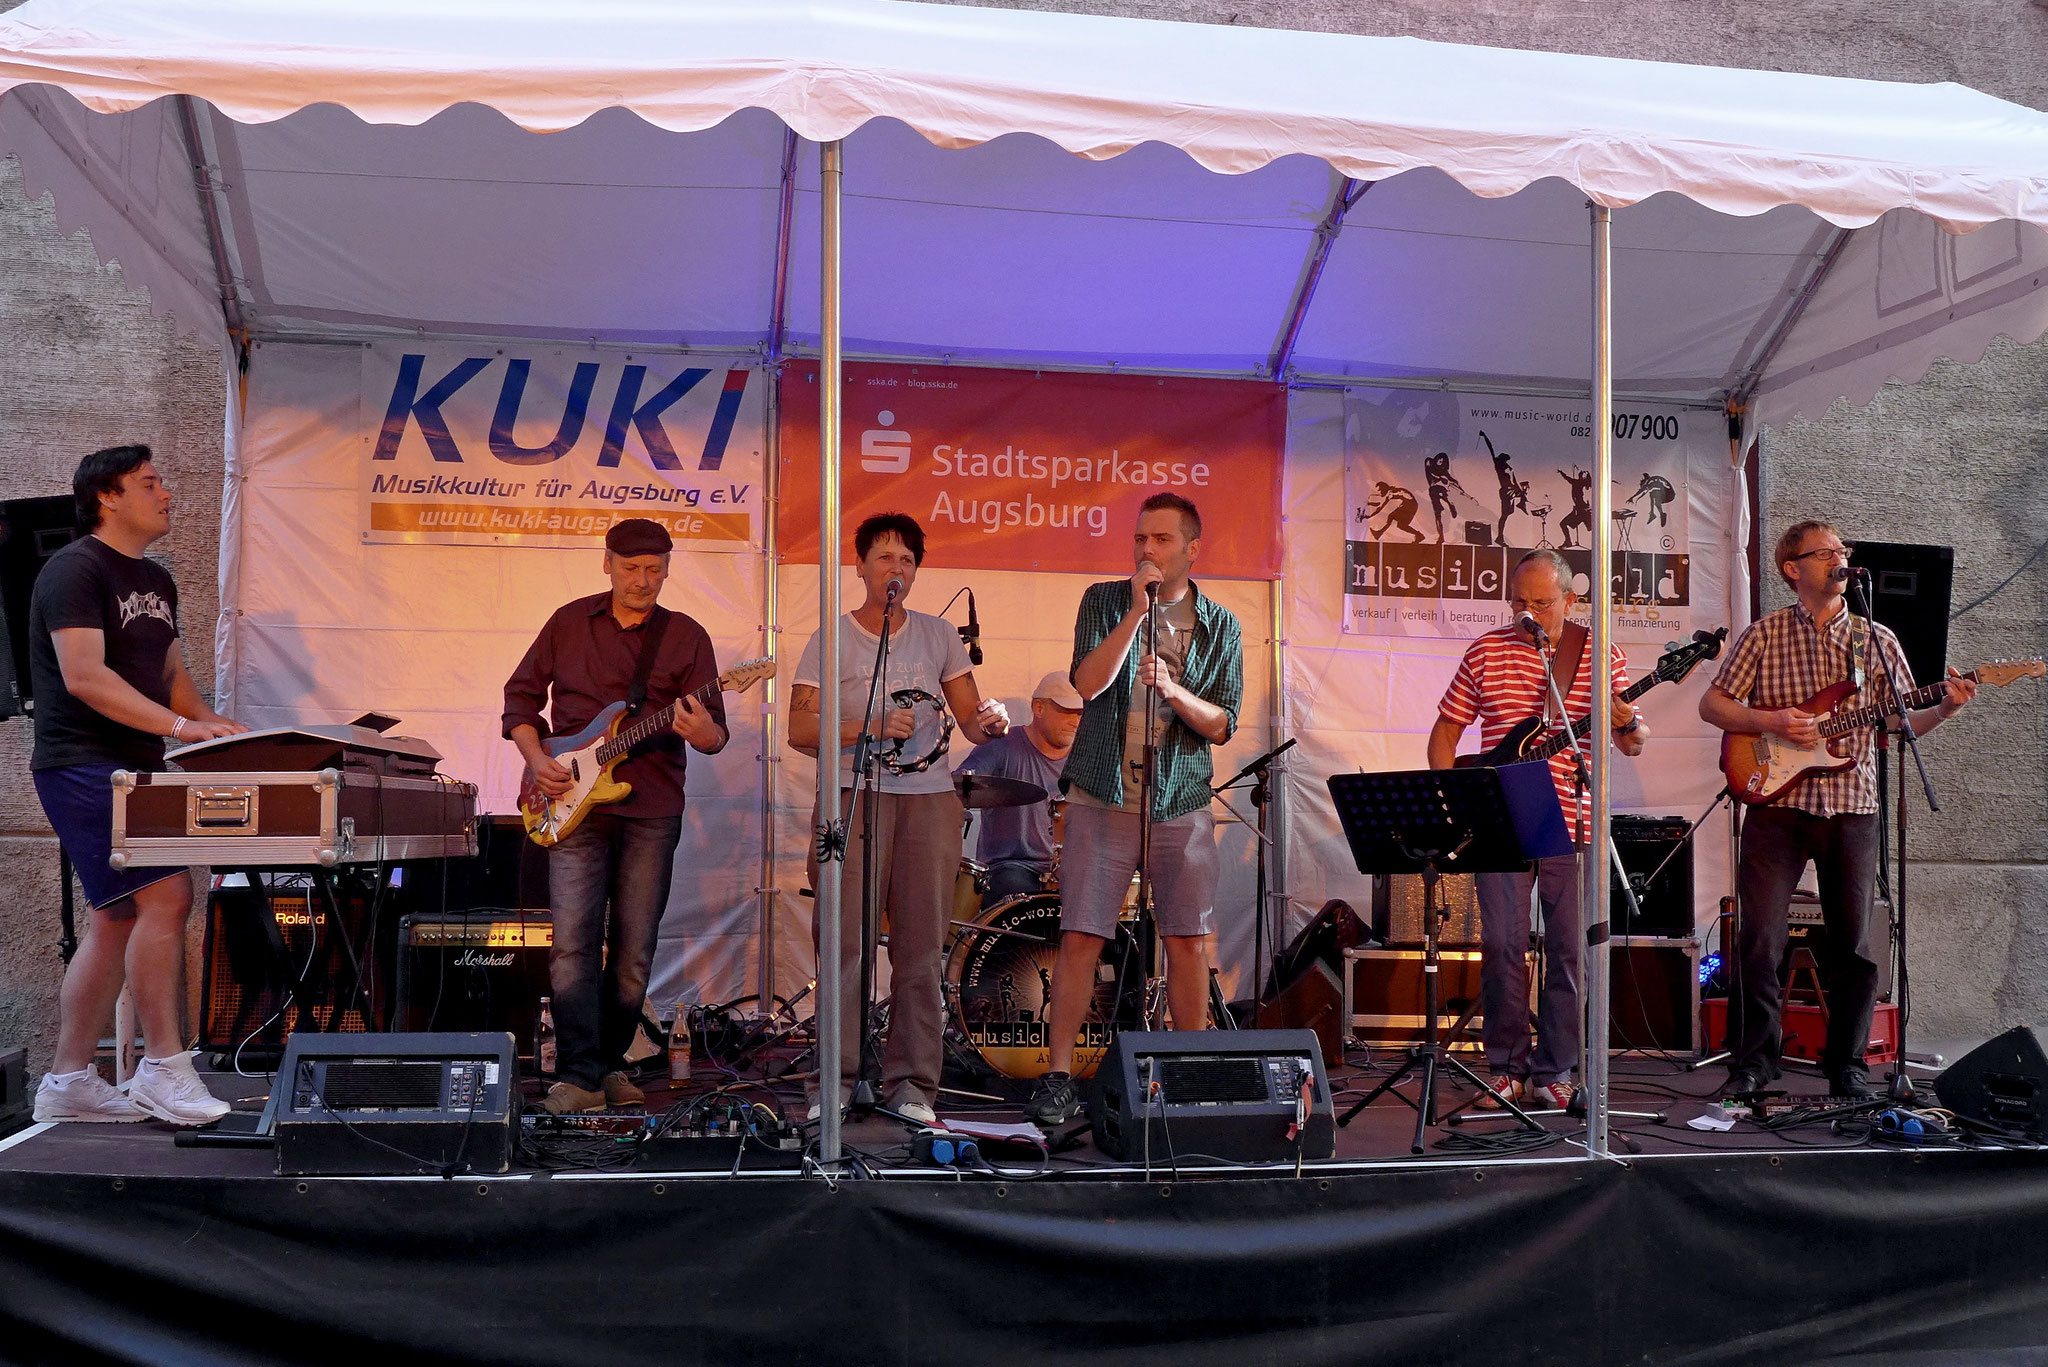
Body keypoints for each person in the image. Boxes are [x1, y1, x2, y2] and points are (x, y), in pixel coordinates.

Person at [1699, 521, 1973, 1099]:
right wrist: (1771, 721)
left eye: (1843, 551)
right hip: (1778, 803)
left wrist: (1944, 709)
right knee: (1760, 939)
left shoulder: (1877, 640)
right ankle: (1754, 1063)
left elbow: (1899, 723)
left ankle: (1846, 1065)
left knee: (1852, 943)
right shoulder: (1764, 634)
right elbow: (1713, 704)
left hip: (1852, 807)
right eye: (1825, 553)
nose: (1840, 559)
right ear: (1792, 569)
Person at [30, 445, 247, 1125]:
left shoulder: (156, 577)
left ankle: (67, 1081)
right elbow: (85, 676)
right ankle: (162, 1068)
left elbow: (170, 673)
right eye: (151, 482)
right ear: (108, 495)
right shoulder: (73, 568)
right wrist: (183, 728)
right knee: (167, 892)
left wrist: (219, 727)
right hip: (82, 762)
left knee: (115, 915)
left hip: (135, 762)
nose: (168, 493)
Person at [1026, 492, 1243, 1127]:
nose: (1146, 549)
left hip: (1180, 798)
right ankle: (1059, 1074)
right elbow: (1087, 684)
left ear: (1192, 549)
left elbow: (1223, 722)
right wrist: (1133, 613)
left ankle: (1186, 1071)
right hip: (1102, 793)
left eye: (1161, 540)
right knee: (1081, 935)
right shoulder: (1103, 600)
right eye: (1140, 539)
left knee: (1186, 939)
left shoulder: (1221, 626)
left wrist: (1174, 690)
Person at [790, 512, 1010, 1126]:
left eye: (908, 560)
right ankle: (834, 1079)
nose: (897, 570)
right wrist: (870, 726)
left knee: (919, 948)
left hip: (929, 801)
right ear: (860, 567)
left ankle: (913, 1084)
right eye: (885, 558)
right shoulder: (831, 638)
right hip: (851, 795)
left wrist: (989, 718)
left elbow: (968, 719)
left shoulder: (939, 636)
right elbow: (800, 728)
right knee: (842, 942)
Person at [503, 518, 728, 1115]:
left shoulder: (687, 636)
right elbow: (520, 699)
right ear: (607, 563)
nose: (642, 580)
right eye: (630, 568)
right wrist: (537, 758)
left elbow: (715, 735)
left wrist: (704, 732)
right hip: (569, 801)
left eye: (654, 569)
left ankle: (605, 1067)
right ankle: (580, 1072)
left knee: (634, 947)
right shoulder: (569, 621)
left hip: (652, 805)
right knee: (573, 944)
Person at [1426, 548, 1648, 1111]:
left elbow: (1630, 741)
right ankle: (1503, 1067)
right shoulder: (1486, 650)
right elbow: (1446, 731)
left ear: (1571, 599)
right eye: (1519, 602)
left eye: (1542, 604)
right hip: (1501, 820)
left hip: (1575, 820)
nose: (1528, 612)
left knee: (1569, 949)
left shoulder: (1600, 653)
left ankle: (1556, 1070)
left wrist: (1628, 725)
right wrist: (1454, 798)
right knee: (1502, 944)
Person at [954, 670, 1085, 904]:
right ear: (1039, 708)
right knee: (1015, 888)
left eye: (1080, 712)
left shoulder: (1086, 758)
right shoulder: (1001, 745)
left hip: (1070, 870)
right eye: (1066, 711)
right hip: (1010, 867)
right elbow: (961, 783)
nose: (1075, 721)